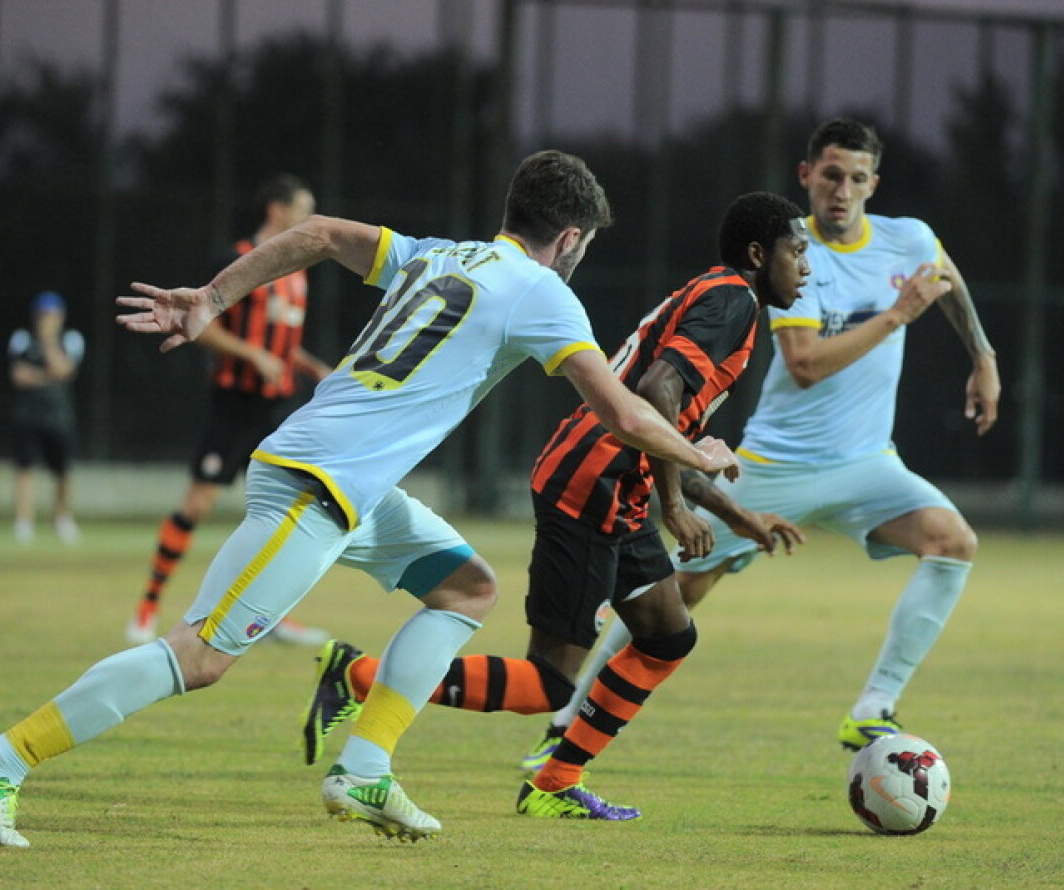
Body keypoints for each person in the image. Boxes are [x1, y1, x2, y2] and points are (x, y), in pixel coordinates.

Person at [0, 150, 741, 848]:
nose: (579, 258)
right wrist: (696, 450)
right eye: (585, 245)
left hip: (349, 487)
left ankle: (363, 771)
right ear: (568, 238)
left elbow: (321, 233)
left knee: (466, 588)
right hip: (317, 484)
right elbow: (624, 413)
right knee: (201, 656)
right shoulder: (541, 291)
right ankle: (0, 760)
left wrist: (214, 297)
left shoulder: (439, 255)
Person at [300, 191, 812, 820]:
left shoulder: (719, 295)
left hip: (616, 484)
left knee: (667, 638)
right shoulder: (732, 300)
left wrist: (737, 517)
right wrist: (676, 506)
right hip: (592, 485)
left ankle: (555, 781)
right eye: (797, 251)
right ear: (758, 254)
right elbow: (658, 392)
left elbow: (669, 430)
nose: (805, 267)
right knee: (548, 681)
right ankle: (359, 676)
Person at [519, 117, 1001, 763]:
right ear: (807, 176)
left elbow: (947, 277)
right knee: (673, 596)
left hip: (868, 462)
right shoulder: (790, 257)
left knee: (953, 542)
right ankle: (566, 721)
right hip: (778, 463)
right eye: (831, 175)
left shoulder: (906, 239)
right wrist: (897, 315)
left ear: (874, 184)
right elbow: (804, 364)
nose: (842, 190)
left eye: (857, 178)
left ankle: (873, 710)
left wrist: (983, 355)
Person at [126, 175, 333, 647]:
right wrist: (250, 355)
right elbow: (202, 325)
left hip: (277, 407)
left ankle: (272, 617)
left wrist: (314, 367)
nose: (310, 219)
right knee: (197, 504)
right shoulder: (237, 259)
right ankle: (147, 607)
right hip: (235, 403)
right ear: (277, 211)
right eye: (304, 209)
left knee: (284, 515)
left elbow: (283, 343)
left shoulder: (298, 273)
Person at [8, 290, 85, 545]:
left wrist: (48, 341)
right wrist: (47, 376)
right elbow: (18, 376)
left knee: (62, 471)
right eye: (42, 315)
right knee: (25, 469)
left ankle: (62, 519)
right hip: (27, 416)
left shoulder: (71, 340)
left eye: (51, 315)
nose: (46, 320)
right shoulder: (22, 339)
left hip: (59, 417)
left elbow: (64, 370)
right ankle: (23, 521)